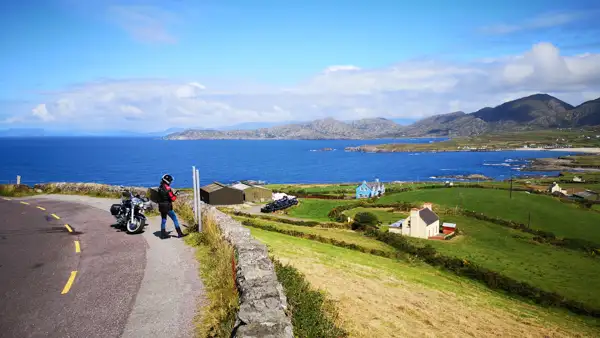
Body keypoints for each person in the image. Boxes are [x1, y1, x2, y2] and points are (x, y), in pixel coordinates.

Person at [158, 174, 185, 239]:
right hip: (167, 206)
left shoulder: (160, 187)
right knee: (174, 219)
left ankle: (163, 234)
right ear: (167, 181)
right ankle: (179, 233)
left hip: (161, 206)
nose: (171, 182)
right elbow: (173, 199)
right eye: (170, 181)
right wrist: (176, 194)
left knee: (163, 219)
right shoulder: (168, 189)